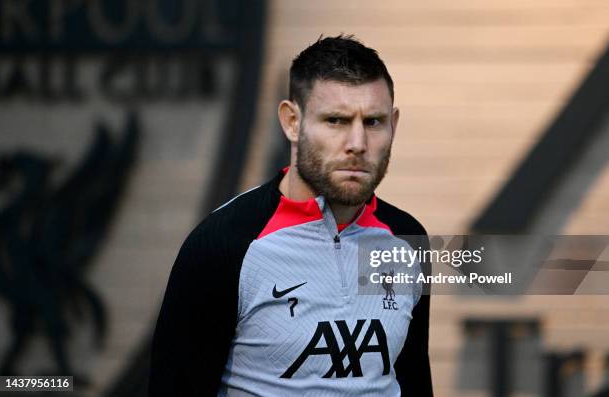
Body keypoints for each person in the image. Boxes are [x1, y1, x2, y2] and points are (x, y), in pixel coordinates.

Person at [148, 34, 433, 396]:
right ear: (291, 122)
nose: (358, 144)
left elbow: (414, 382)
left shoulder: (407, 239)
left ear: (393, 124)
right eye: (336, 120)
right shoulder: (225, 243)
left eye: (373, 122)